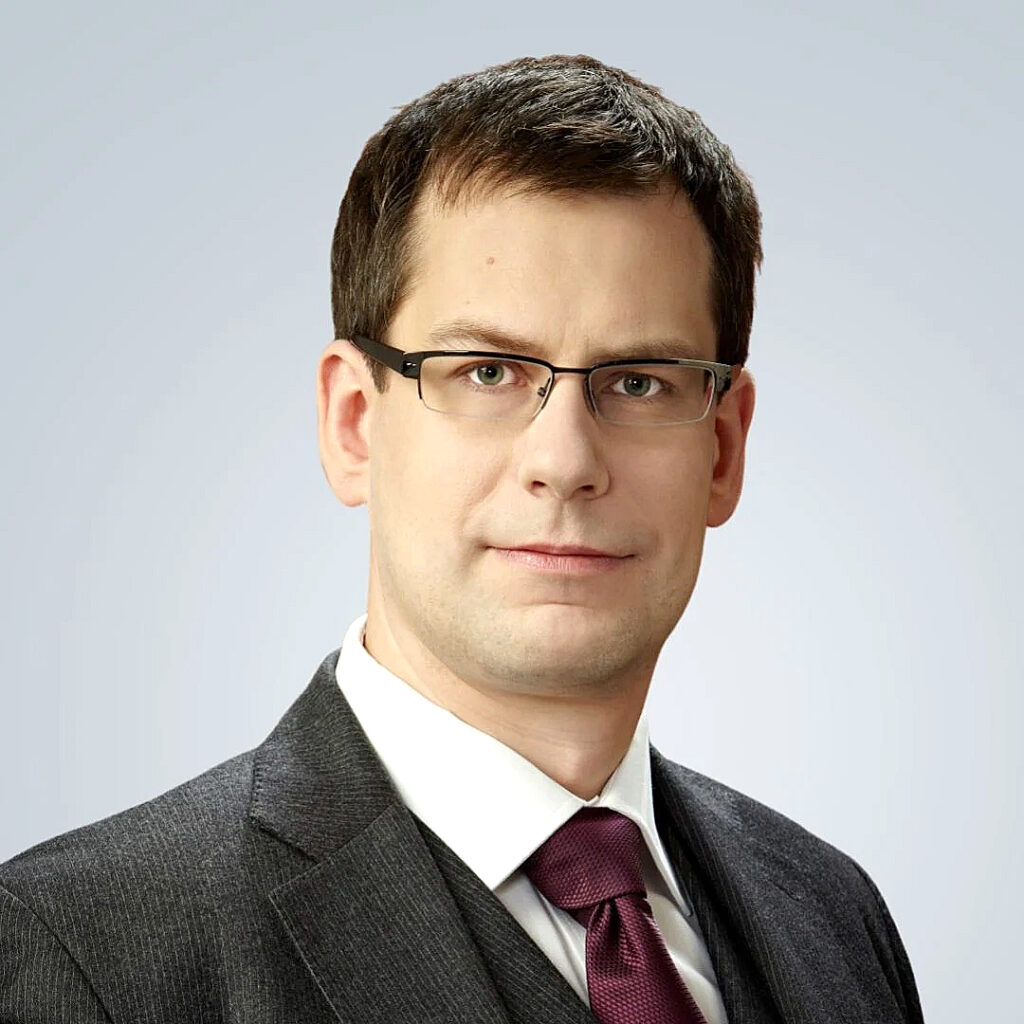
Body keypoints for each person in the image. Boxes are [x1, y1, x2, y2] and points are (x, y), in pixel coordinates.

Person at [0, 53, 924, 1023]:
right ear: (354, 424)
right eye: (487, 371)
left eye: (638, 381)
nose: (564, 461)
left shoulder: (833, 916)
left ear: (723, 450)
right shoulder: (81, 959)